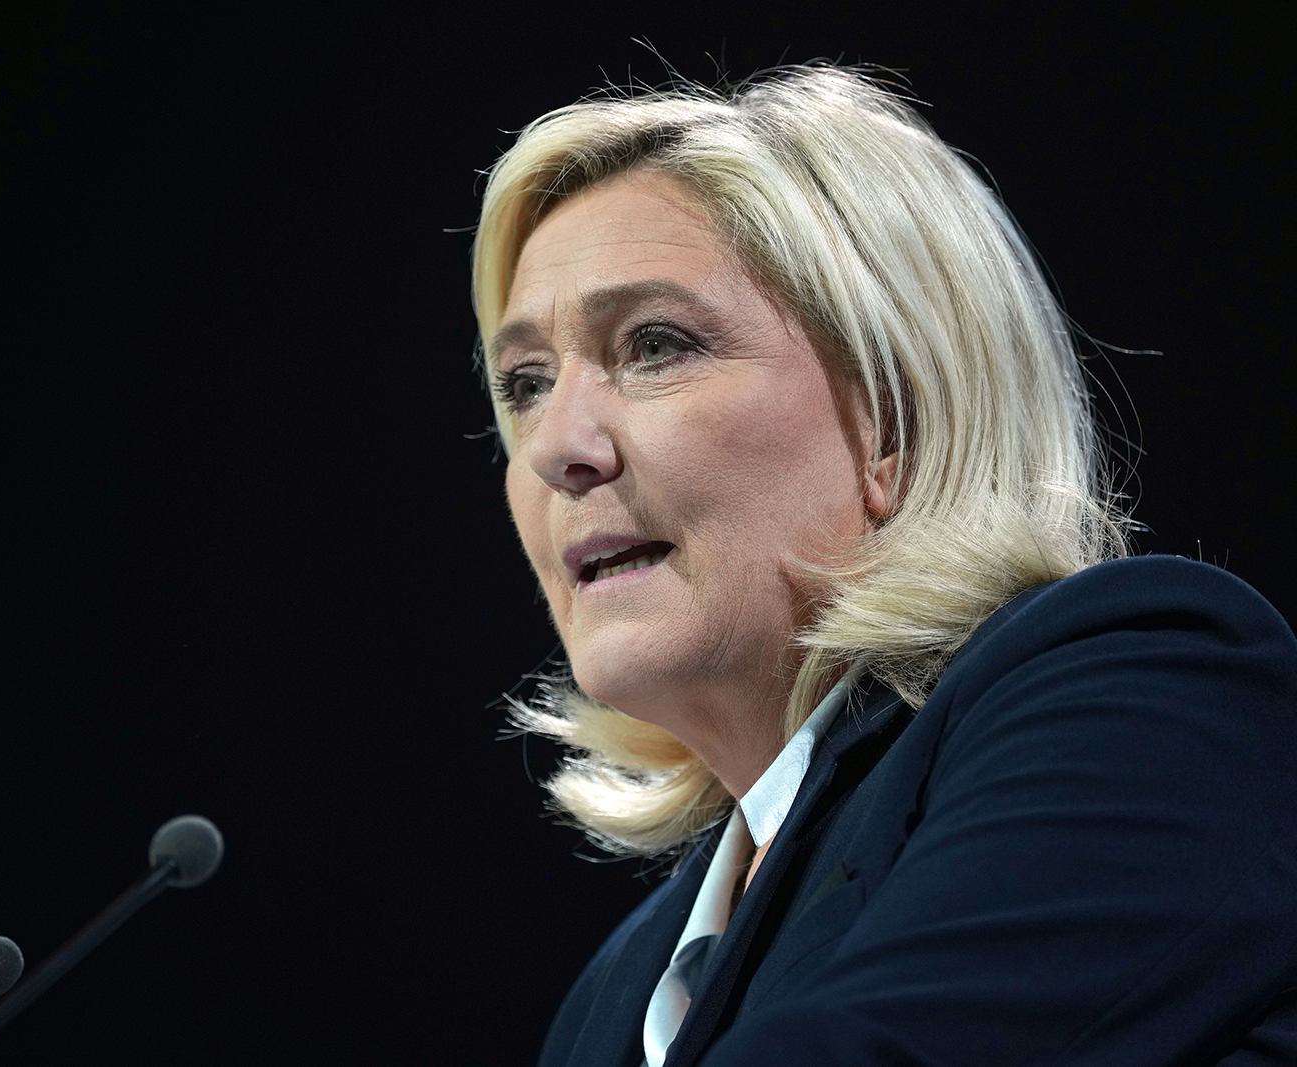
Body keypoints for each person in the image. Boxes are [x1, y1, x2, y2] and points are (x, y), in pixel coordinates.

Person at [469, 66, 1297, 1066]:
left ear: (891, 421)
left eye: (653, 344)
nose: (558, 445)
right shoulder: (614, 996)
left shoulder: (1147, 695)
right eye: (524, 384)